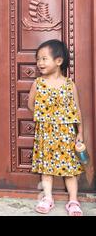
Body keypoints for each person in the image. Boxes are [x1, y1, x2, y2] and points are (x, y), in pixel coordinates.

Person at [28, 39, 84, 216]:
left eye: (44, 59)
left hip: (67, 134)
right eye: (38, 59)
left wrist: (80, 133)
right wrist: (45, 117)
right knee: (46, 169)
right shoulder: (38, 83)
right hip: (46, 133)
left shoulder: (69, 85)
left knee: (70, 170)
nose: (40, 63)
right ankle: (47, 198)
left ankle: (73, 201)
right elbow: (31, 105)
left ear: (58, 61)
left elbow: (77, 109)